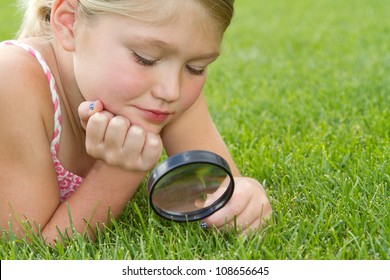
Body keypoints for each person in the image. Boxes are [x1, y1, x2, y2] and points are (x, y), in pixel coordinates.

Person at [0, 0, 272, 244]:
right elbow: (30, 250)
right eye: (146, 58)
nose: (171, 91)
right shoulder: (11, 79)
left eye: (196, 67)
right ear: (70, 23)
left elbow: (216, 190)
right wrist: (121, 170)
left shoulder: (168, 93)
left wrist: (244, 197)